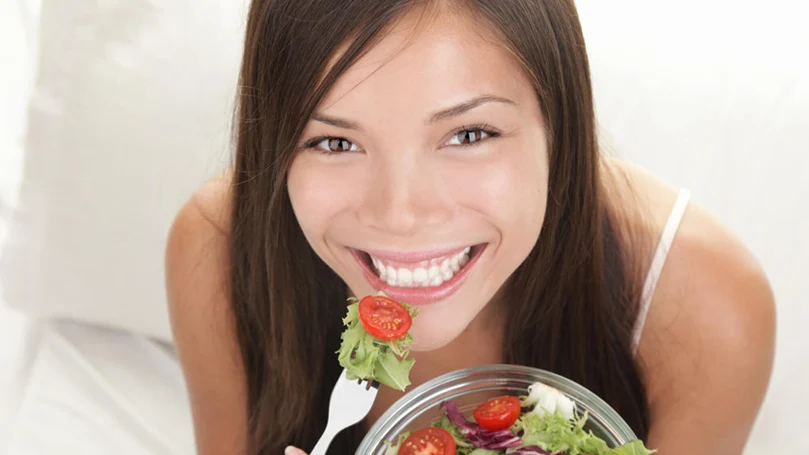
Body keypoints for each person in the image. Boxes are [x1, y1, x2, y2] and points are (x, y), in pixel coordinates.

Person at [164, 0, 776, 454]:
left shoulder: (704, 303)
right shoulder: (215, 249)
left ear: (560, 127)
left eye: (468, 134)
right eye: (334, 141)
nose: (400, 214)